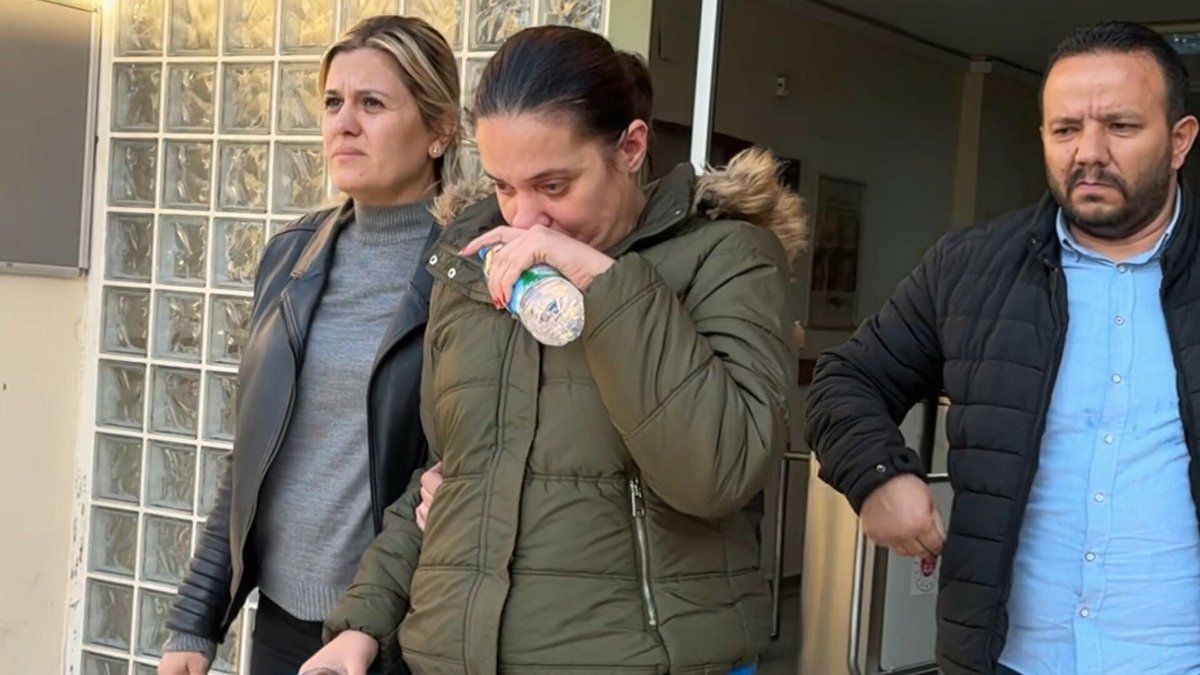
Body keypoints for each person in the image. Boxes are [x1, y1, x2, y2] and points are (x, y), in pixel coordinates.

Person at [299, 24, 806, 675]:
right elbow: (446, 479)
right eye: (504, 186)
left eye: (554, 186)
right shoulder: (474, 265)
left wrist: (603, 284)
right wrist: (361, 625)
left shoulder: (727, 257)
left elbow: (718, 473)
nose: (524, 220)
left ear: (630, 147)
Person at [805, 21, 1199, 675]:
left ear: (1179, 139)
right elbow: (845, 378)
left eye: (1121, 127)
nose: (1089, 152)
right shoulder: (969, 268)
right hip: (1010, 660)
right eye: (1065, 129)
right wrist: (877, 475)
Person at [158, 15, 459, 675]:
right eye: (332, 102)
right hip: (284, 623)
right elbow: (252, 456)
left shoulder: (469, 269)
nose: (343, 124)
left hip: (406, 632)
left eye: (371, 104)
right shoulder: (291, 256)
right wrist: (194, 621)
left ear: (439, 130)